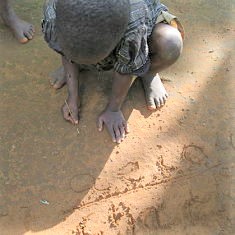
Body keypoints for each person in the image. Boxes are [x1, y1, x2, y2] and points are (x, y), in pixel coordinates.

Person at [42, 0, 184, 143]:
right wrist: (72, 96)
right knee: (75, 50)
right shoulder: (54, 10)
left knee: (170, 44)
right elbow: (64, 48)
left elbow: (126, 69)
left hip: (138, 23)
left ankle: (148, 72)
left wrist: (113, 109)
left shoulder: (134, 23)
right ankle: (77, 62)